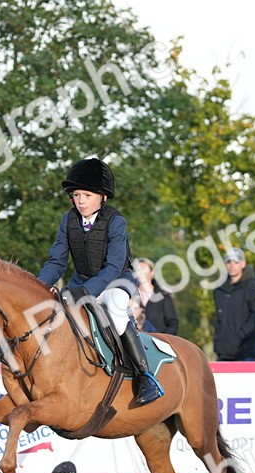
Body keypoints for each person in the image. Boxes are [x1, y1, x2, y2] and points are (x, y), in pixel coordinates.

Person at [36, 157, 164, 405]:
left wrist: (84, 292)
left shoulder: (116, 222)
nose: (80, 201)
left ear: (103, 196)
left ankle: (145, 376)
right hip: (81, 282)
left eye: (87, 195)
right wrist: (38, 286)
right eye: (76, 195)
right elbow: (56, 261)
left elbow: (114, 266)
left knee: (116, 310)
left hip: (116, 282)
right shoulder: (68, 220)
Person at [212, 247, 255, 361]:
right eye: (229, 262)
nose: (232, 265)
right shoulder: (219, 290)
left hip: (246, 353)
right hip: (223, 353)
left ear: (243, 264)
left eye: (236, 262)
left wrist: (241, 334)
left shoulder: (254, 287)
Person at [132, 257, 179, 335]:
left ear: (152, 272)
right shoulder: (129, 295)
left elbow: (173, 324)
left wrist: (162, 341)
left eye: (144, 269)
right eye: (138, 270)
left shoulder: (164, 296)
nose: (140, 273)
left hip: (158, 342)